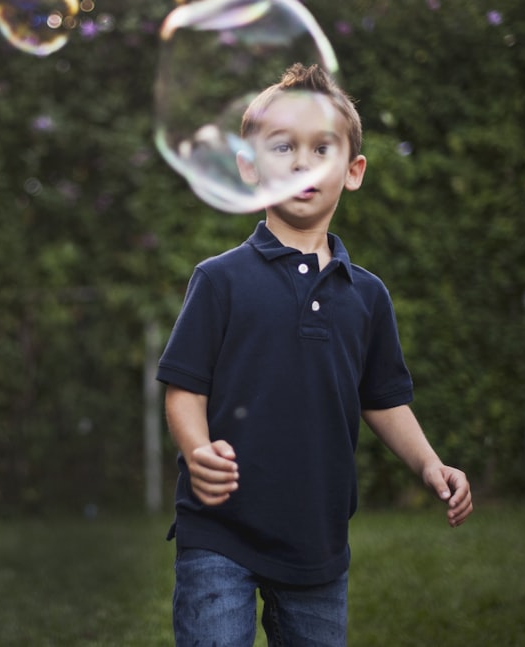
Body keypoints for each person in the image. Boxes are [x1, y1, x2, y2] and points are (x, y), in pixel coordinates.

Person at [156, 63, 474, 647]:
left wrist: (430, 465)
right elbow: (185, 386)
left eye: (321, 148)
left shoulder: (368, 295)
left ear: (352, 172)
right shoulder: (220, 279)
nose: (302, 163)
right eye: (283, 147)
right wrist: (197, 449)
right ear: (250, 169)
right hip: (219, 530)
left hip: (316, 541)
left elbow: (384, 400)